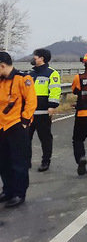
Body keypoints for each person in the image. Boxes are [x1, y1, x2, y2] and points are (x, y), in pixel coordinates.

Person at [0, 51, 36, 208]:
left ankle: (19, 193)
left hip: (16, 126)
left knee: (18, 162)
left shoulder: (23, 79)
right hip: (1, 127)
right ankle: (7, 190)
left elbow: (31, 101)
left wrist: (24, 122)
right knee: (3, 162)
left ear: (2, 65)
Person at [28, 48, 61, 172]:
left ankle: (45, 161)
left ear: (41, 58)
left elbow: (55, 91)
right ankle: (26, 161)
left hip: (43, 112)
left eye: (35, 57)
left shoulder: (52, 73)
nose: (33, 58)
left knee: (45, 139)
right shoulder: (30, 74)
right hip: (29, 113)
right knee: (25, 139)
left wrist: (52, 106)